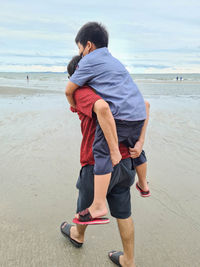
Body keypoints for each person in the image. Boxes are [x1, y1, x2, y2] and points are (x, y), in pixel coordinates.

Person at [61, 55, 150, 267]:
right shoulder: (118, 92)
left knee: (86, 208)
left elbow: (96, 107)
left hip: (97, 166)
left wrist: (73, 92)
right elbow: (144, 106)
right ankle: (128, 260)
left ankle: (77, 235)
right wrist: (140, 143)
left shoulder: (83, 92)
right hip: (127, 163)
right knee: (124, 213)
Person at [65, 22, 150, 224]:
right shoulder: (115, 63)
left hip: (118, 123)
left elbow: (69, 90)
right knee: (136, 150)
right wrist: (140, 140)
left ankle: (98, 204)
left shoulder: (87, 63)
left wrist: (75, 104)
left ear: (88, 46)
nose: (81, 53)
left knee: (101, 150)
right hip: (137, 117)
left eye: (79, 48)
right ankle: (144, 184)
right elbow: (144, 103)